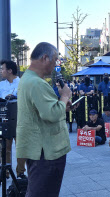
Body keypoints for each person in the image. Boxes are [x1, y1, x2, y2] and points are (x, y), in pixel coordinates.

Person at [16, 42, 74, 196]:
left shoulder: (27, 79)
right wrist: (65, 96)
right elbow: (52, 114)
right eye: (55, 60)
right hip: (47, 151)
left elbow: (42, 111)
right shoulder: (37, 83)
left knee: (39, 190)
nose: (55, 64)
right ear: (45, 58)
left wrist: (62, 105)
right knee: (43, 192)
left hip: (37, 148)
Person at [0, 60, 27, 179]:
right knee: (5, 147)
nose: (1, 71)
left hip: (19, 119)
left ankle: (20, 172)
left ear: (10, 70)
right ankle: (5, 171)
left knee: (20, 147)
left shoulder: (22, 83)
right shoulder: (1, 85)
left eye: (2, 69)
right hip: (5, 119)